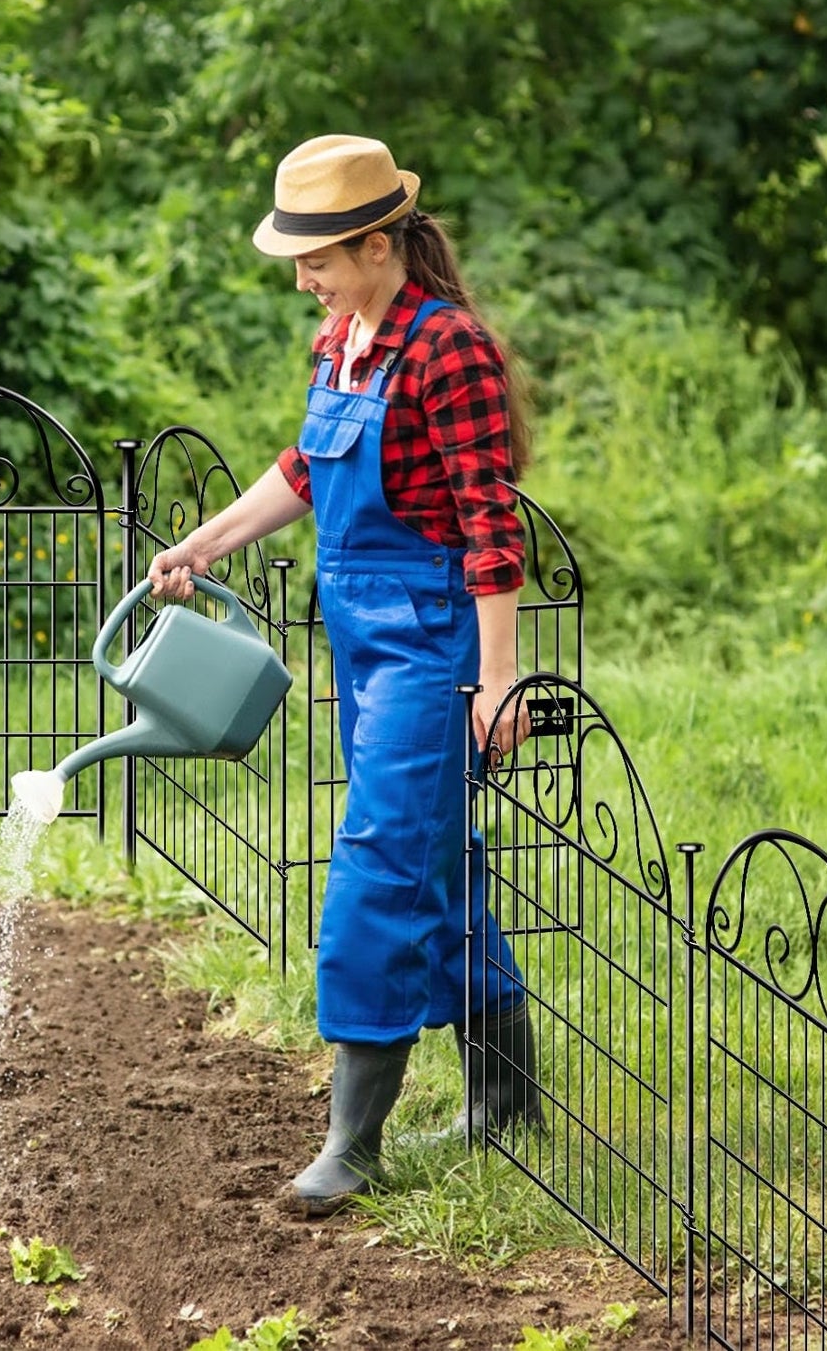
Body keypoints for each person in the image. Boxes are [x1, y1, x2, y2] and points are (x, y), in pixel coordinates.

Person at [147, 133, 544, 1214]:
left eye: (316, 255)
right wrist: (203, 544)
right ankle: (506, 1100)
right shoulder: (343, 341)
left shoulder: (445, 348)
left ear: (376, 242)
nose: (300, 276)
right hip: (363, 645)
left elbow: (488, 522)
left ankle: (351, 1141)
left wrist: (496, 679)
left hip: (431, 641)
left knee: (374, 867)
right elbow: (302, 468)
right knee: (436, 859)